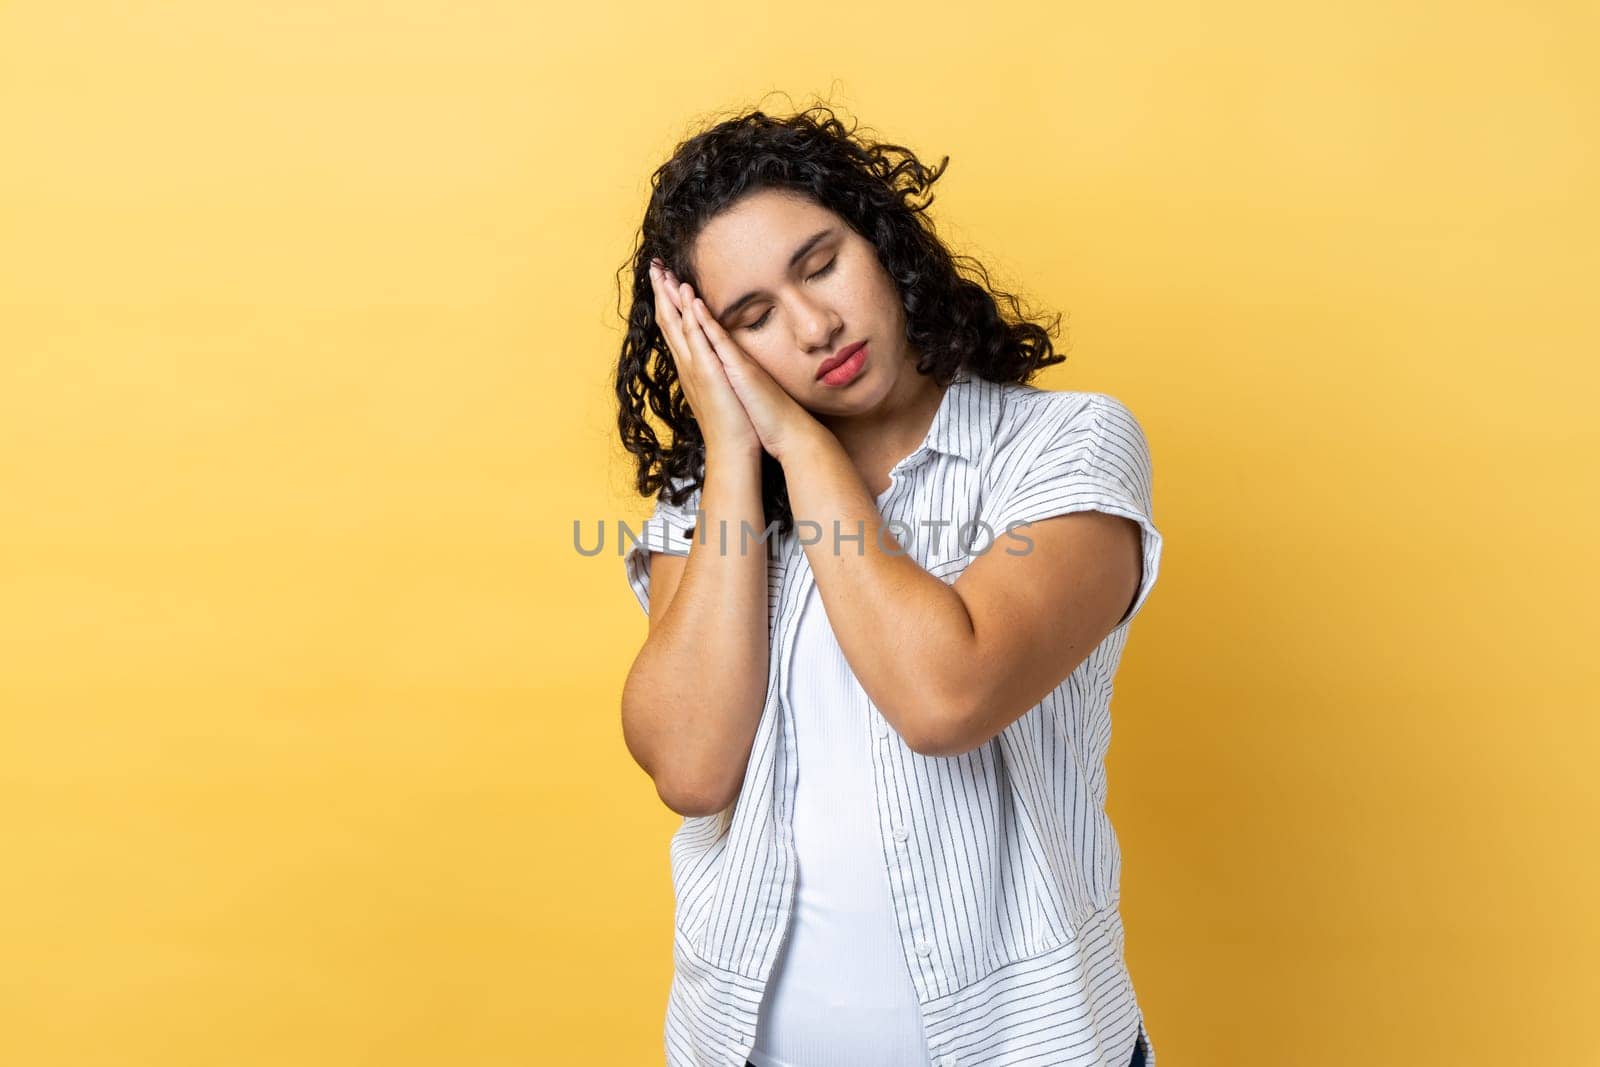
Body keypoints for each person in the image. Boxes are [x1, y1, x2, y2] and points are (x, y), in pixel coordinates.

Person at [615, 103, 1162, 1067]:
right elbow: (692, 767)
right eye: (753, 317)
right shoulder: (709, 504)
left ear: (881, 241)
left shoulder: (1064, 446)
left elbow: (945, 694)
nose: (815, 325)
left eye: (820, 264)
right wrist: (739, 460)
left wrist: (798, 440)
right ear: (718, 352)